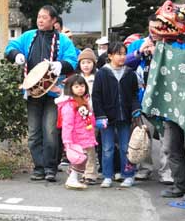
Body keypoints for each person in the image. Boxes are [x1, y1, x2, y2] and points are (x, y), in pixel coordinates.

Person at [5, 5, 77, 182]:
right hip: (32, 92)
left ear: (54, 21)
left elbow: (72, 60)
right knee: (34, 133)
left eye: (45, 17)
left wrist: (60, 65)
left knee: (50, 131)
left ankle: (50, 167)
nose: (40, 20)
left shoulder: (63, 41)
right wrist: (16, 55)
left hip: (53, 93)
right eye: (39, 16)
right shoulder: (28, 36)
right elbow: (10, 47)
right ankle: (38, 167)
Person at [125, 16, 173, 184]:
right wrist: (138, 53)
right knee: (144, 134)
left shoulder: (171, 44)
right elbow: (123, 63)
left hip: (166, 99)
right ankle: (145, 168)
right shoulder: (139, 43)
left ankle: (167, 171)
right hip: (143, 97)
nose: (154, 31)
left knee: (167, 137)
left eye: (158, 27)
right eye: (151, 27)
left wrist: (158, 54)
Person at [92, 42, 140, 188]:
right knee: (107, 148)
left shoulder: (130, 73)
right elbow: (96, 96)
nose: (122, 57)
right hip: (106, 117)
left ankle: (129, 175)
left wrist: (136, 108)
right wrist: (100, 116)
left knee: (126, 148)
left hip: (125, 116)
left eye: (124, 53)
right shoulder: (101, 74)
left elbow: (134, 95)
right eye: (119, 54)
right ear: (110, 56)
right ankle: (107, 175)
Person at [56, 74, 98, 190]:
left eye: (82, 86)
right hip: (75, 137)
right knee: (79, 158)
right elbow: (67, 124)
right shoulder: (69, 105)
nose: (80, 88)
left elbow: (89, 117)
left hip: (86, 134)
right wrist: (67, 140)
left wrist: (95, 122)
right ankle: (72, 179)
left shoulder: (83, 101)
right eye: (76, 86)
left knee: (83, 158)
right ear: (70, 88)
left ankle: (74, 177)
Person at [74, 48, 99, 184]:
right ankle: (79, 171)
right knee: (79, 146)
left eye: (89, 62)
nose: (86, 65)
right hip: (78, 117)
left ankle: (91, 173)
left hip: (92, 116)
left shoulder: (98, 77)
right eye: (83, 62)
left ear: (94, 64)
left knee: (89, 145)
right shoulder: (76, 79)